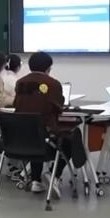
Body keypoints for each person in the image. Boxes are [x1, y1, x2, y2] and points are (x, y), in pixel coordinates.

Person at [11, 52, 84, 196]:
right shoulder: (53, 84)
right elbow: (59, 106)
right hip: (45, 137)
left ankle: (36, 180)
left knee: (35, 131)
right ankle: (54, 175)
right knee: (70, 140)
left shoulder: (20, 82)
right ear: (48, 68)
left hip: (22, 138)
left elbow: (16, 104)